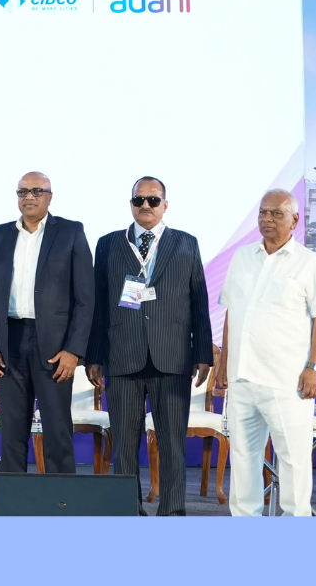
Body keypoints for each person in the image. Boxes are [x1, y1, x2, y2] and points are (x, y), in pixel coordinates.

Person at [85, 177, 212, 516]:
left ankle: (172, 512)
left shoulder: (186, 244)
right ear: (131, 204)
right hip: (122, 356)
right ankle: (126, 510)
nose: (145, 205)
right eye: (139, 199)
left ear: (165, 205)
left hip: (172, 358)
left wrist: (201, 353)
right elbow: (99, 303)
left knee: (172, 445)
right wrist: (94, 354)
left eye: (153, 200)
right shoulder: (109, 244)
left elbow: (198, 300)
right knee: (124, 446)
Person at [0, 172, 93, 475]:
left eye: (37, 191)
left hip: (54, 349)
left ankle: (61, 506)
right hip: (9, 344)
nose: (29, 197)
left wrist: (73, 350)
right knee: (13, 432)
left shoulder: (70, 232)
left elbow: (85, 298)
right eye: (23, 191)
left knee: (57, 430)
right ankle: (10, 509)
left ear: (50, 197)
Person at [218, 189, 316, 516]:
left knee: (293, 465)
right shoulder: (242, 257)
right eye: (263, 213)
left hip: (286, 382)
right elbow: (231, 312)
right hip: (241, 378)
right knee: (244, 463)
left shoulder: (309, 263)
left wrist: (314, 367)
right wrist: (223, 363)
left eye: (276, 214)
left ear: (294, 220)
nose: (267, 219)